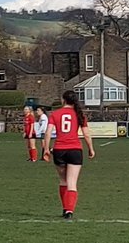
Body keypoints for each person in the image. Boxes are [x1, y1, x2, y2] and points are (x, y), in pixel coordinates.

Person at [43, 90, 96, 220]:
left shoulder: (55, 114)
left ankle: (65, 208)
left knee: (63, 181)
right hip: (75, 150)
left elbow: (48, 133)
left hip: (59, 149)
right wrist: (91, 149)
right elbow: (86, 134)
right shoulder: (79, 114)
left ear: (63, 100)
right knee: (72, 182)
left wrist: (45, 149)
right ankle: (69, 210)